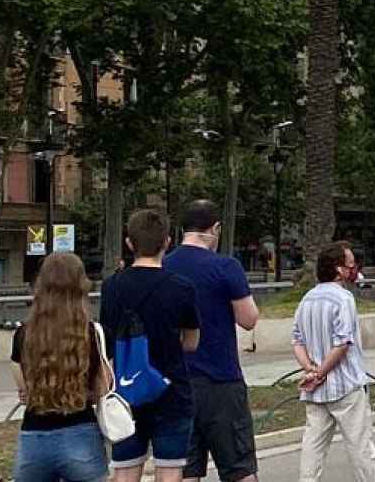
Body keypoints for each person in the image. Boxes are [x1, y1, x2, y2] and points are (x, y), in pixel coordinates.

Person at [163, 200, 260, 482]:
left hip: (177, 383)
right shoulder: (226, 266)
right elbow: (248, 319)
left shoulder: (165, 266)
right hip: (221, 382)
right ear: (215, 228)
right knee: (239, 468)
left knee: (186, 469)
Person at [101, 208, 200, 482]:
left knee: (125, 470)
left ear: (130, 243)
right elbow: (191, 342)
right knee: (170, 470)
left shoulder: (112, 287)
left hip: (126, 393)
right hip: (171, 390)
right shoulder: (182, 287)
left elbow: (107, 342)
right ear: (168, 242)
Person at [12, 252, 113, 482]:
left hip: (33, 437)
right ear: (81, 287)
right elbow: (103, 388)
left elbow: (24, 392)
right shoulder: (94, 334)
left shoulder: (22, 335)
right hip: (81, 433)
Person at [291, 242, 375, 482]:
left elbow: (296, 340)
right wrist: (322, 371)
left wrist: (310, 368)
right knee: (361, 449)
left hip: (316, 391)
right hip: (346, 387)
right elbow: (342, 343)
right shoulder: (343, 299)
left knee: (313, 449)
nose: (354, 269)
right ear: (339, 270)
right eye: (351, 265)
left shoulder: (306, 299)